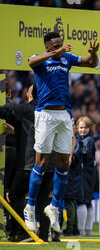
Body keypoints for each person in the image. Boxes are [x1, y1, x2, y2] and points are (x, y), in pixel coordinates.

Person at [23, 31, 99, 233]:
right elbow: (31, 62)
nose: (59, 47)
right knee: (42, 161)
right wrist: (55, 52)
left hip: (64, 114)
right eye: (55, 45)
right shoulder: (39, 60)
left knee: (64, 162)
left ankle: (54, 207)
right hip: (45, 115)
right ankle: (30, 207)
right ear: (47, 46)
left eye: (61, 44)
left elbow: (91, 63)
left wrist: (94, 54)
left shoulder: (67, 58)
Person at [0, 85, 55, 242]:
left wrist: (8, 100)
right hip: (49, 164)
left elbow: (4, 111)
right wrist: (17, 131)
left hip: (29, 164)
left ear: (29, 95)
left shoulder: (25, 110)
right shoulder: (51, 111)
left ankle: (24, 232)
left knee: (15, 194)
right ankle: (44, 235)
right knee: (43, 200)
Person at [71, 117, 96, 236]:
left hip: (86, 174)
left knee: (83, 200)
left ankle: (83, 229)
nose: (83, 130)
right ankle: (88, 229)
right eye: (81, 127)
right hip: (87, 173)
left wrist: (77, 146)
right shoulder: (86, 139)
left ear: (90, 128)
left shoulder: (88, 140)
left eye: (85, 127)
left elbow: (83, 154)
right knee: (87, 201)